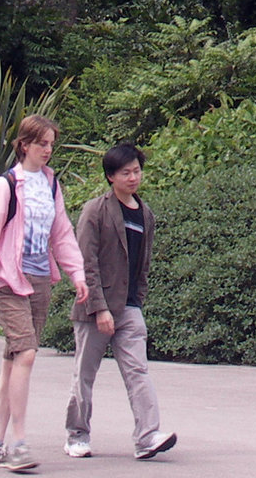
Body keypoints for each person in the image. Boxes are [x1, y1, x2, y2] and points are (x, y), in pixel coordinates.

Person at [0, 114, 90, 473]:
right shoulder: (6, 186)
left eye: (51, 144)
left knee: (13, 360)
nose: (47, 150)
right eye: (41, 143)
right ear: (24, 145)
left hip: (38, 281)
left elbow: (61, 233)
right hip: (8, 280)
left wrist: (76, 272)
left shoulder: (50, 185)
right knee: (27, 354)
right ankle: (18, 443)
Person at [64, 143, 176, 461]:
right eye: (125, 172)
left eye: (137, 171)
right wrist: (99, 308)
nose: (133, 177)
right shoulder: (95, 211)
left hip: (128, 308)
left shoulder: (145, 214)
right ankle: (77, 435)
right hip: (95, 308)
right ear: (111, 176)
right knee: (84, 375)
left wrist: (136, 302)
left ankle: (147, 437)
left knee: (138, 371)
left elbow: (144, 263)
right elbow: (86, 263)